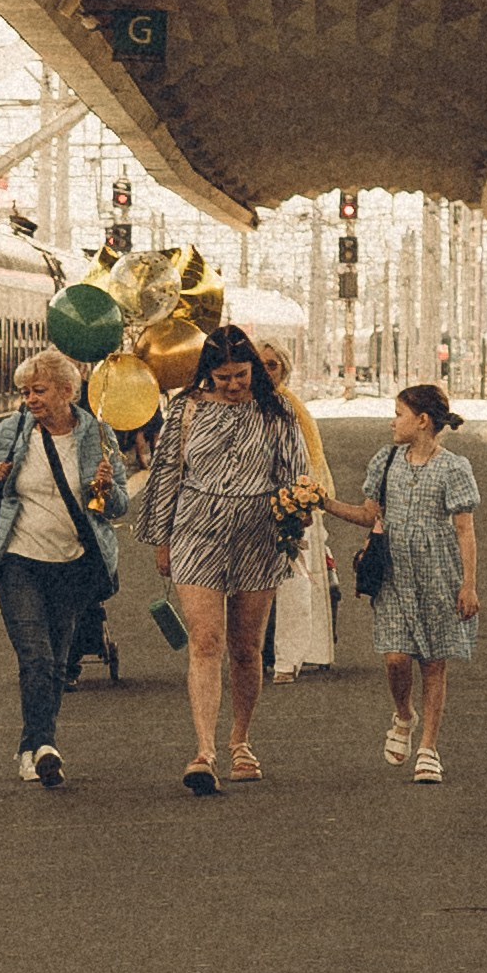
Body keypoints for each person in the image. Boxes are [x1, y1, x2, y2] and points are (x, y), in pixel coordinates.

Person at [141, 319, 309, 794]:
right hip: (197, 528)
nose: (234, 386)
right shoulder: (185, 411)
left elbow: (295, 470)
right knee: (206, 640)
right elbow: (168, 471)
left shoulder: (278, 410)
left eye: (242, 375)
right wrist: (162, 538)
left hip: (259, 531)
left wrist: (296, 517)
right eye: (224, 378)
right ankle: (204, 750)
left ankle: (241, 740)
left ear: (254, 369)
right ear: (207, 375)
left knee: (246, 646)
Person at [0, 348, 128, 787]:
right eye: (25, 392)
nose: (30, 400)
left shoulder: (96, 433)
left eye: (38, 391)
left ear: (66, 390)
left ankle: (33, 746)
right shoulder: (14, 430)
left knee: (57, 662)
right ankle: (44, 746)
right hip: (18, 560)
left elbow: (117, 505)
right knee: (36, 657)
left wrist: (106, 487)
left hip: (73, 563)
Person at [327, 383, 480, 781]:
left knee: (432, 661)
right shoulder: (387, 462)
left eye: (399, 414)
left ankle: (429, 748)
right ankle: (403, 714)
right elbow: (367, 515)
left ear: (423, 421)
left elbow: (464, 529)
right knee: (396, 658)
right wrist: (322, 503)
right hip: (393, 572)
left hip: (438, 574)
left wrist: (468, 585)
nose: (393, 422)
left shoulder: (454, 468)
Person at [256, 338, 334, 679]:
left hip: (289, 506)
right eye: (260, 364)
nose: (265, 371)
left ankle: (288, 659)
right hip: (246, 508)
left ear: (283, 370)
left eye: (272, 365)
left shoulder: (294, 410)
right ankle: (253, 655)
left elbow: (306, 463)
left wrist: (300, 503)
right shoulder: (237, 406)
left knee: (294, 582)